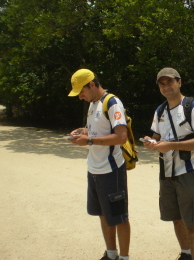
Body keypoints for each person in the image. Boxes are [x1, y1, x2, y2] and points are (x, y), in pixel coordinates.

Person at [142, 67, 194, 260]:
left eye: (169, 82)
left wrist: (170, 145)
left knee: (193, 223)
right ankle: (185, 254)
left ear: (179, 82)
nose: (166, 86)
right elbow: (156, 135)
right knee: (176, 218)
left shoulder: (193, 106)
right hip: (167, 171)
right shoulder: (160, 110)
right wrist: (150, 142)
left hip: (189, 171)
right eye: (162, 83)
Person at [67, 69, 130, 260]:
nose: (80, 96)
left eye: (82, 91)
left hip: (111, 170)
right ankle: (111, 254)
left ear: (92, 85)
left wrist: (89, 141)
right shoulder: (93, 104)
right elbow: (100, 129)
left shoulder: (112, 103)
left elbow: (121, 136)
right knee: (103, 214)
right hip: (94, 169)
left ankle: (125, 257)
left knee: (119, 217)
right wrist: (84, 131)